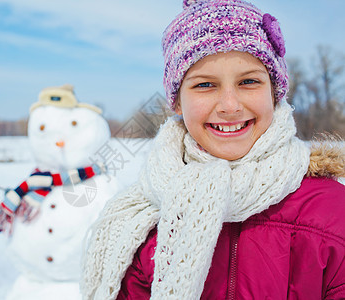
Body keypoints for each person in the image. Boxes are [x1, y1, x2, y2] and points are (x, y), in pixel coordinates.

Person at [80, 0, 345, 299]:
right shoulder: (138, 222)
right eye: (205, 85)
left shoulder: (333, 212)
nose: (230, 106)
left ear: (275, 92)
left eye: (248, 81)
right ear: (177, 102)